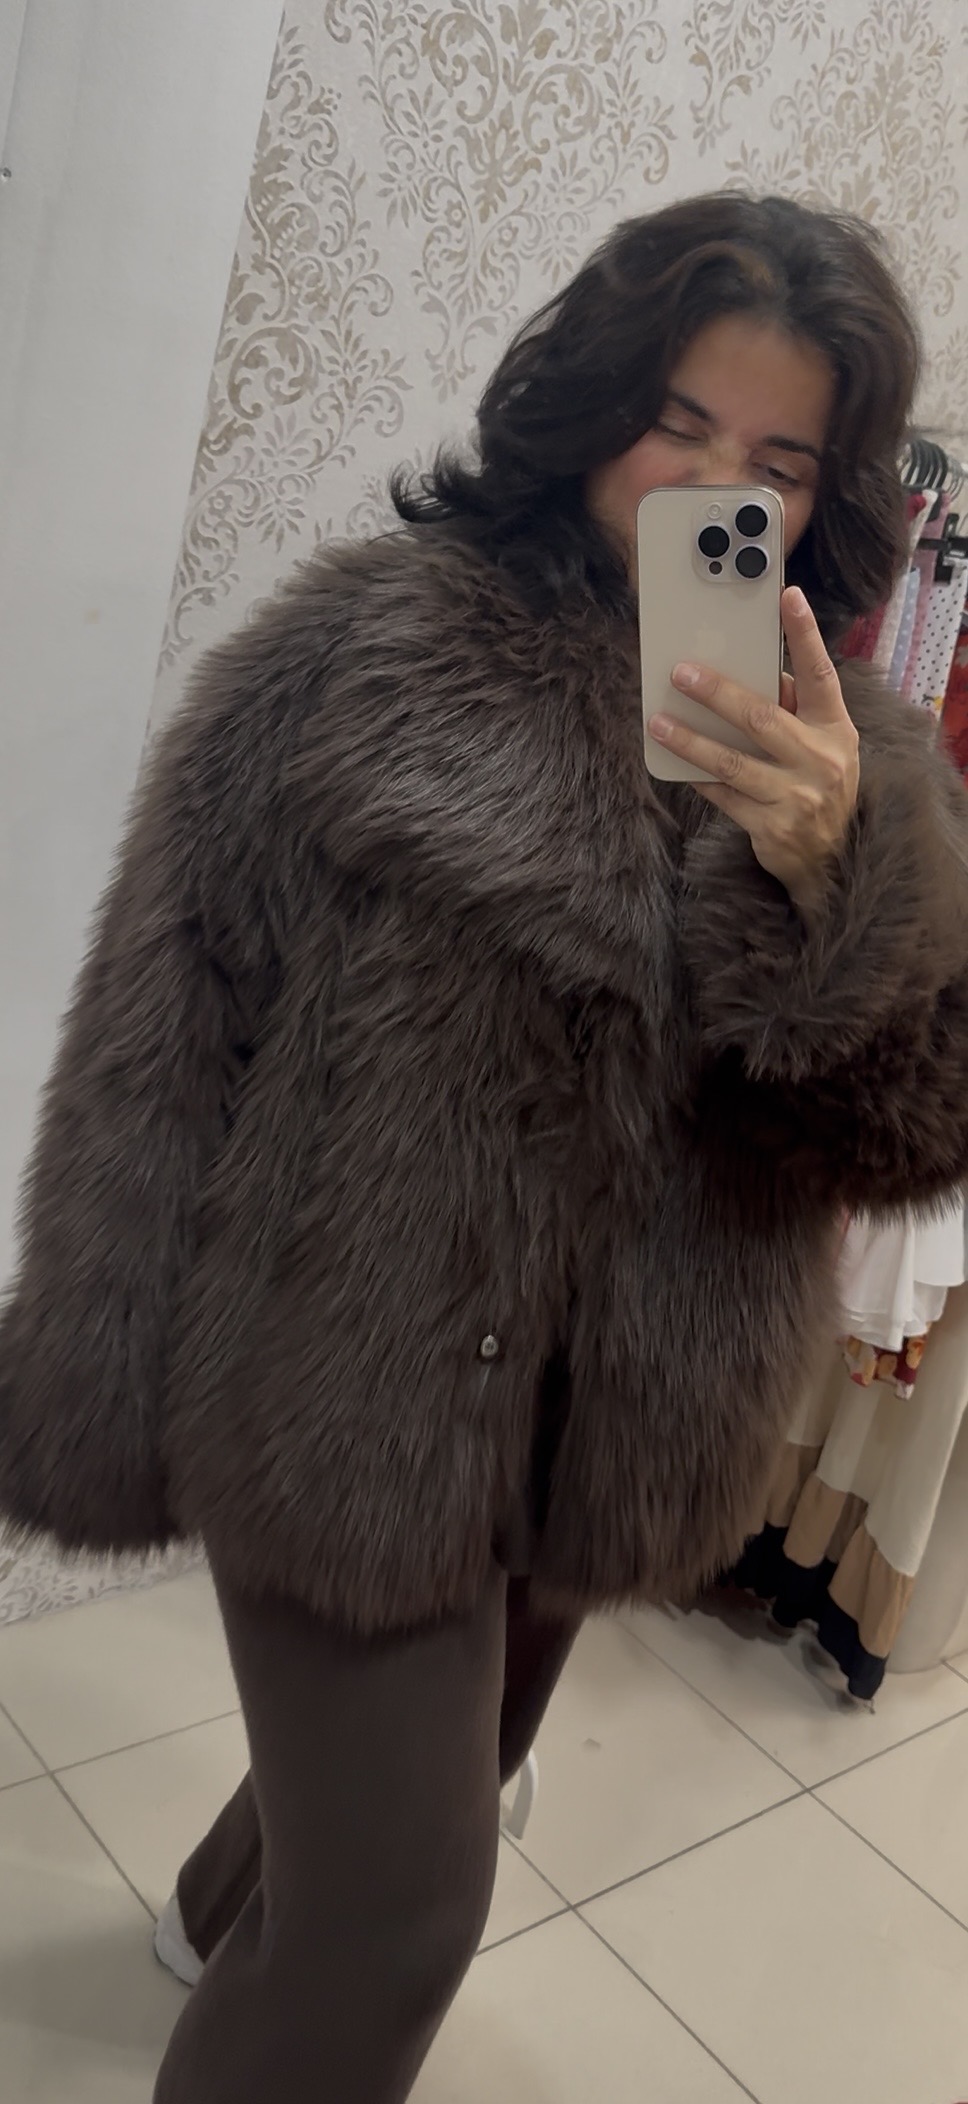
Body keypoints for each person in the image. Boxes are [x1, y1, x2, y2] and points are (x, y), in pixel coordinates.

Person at [2, 190, 968, 2101]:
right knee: (404, 1911)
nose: (717, 485)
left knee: (445, 1779)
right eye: (678, 421)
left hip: (617, 1427)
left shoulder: (853, 757)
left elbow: (907, 1135)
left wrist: (833, 881)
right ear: (593, 396)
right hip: (341, 1398)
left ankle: (213, 1918)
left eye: (780, 460)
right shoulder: (364, 653)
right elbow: (162, 1041)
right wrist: (95, 1386)